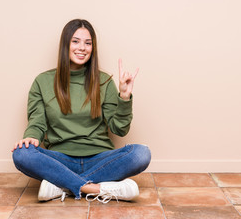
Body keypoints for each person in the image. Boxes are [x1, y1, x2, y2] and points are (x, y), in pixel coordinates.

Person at [11, 19, 151, 203]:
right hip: (60, 159)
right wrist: (31, 137)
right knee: (21, 153)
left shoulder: (103, 82)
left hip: (100, 159)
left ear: (93, 48)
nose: (82, 48)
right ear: (65, 45)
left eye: (88, 43)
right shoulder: (42, 81)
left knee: (141, 153)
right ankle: (94, 188)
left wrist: (124, 97)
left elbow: (119, 129)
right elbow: (37, 122)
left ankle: (62, 185)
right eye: (75, 41)